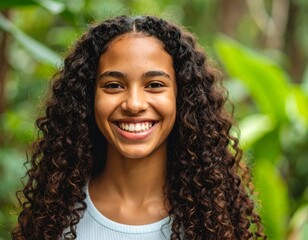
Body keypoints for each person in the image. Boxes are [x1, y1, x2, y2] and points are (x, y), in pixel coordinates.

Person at [12, 15, 266, 240]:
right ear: (88, 98)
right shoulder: (54, 216)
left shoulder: (211, 220)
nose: (134, 104)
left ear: (183, 97)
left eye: (155, 84)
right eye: (113, 85)